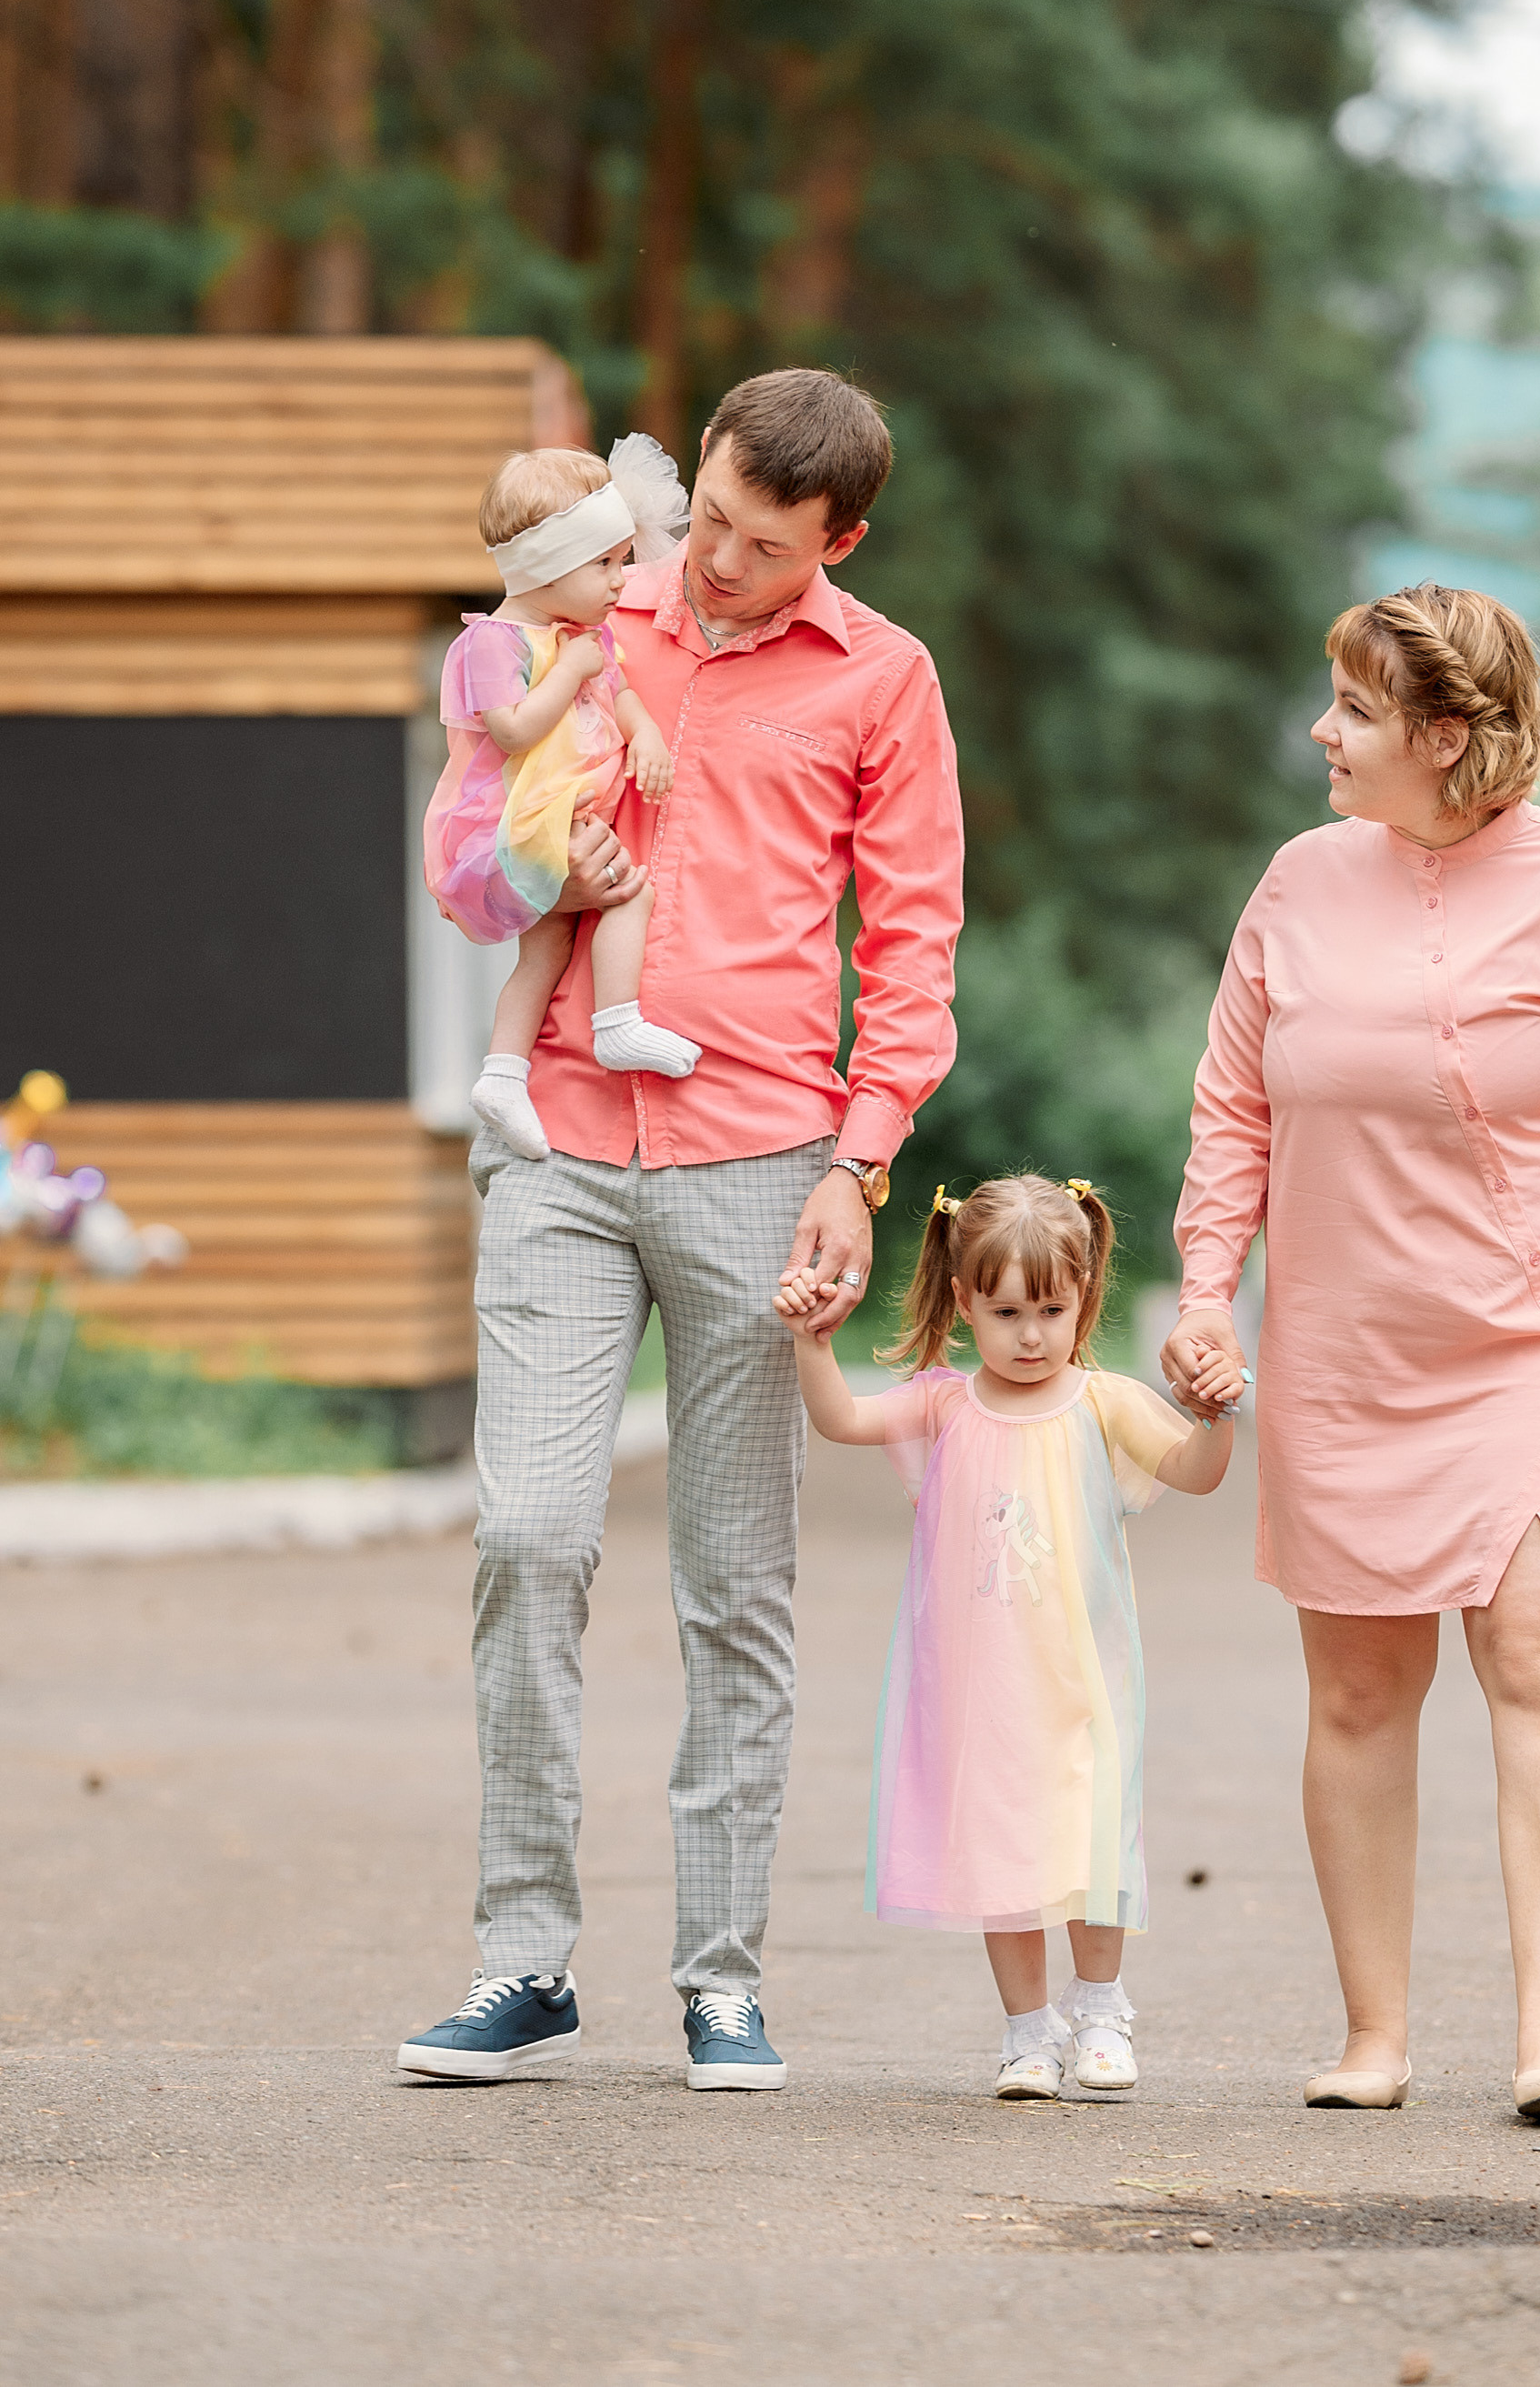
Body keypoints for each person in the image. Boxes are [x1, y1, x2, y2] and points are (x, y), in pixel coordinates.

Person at [398, 369, 964, 2093]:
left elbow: (914, 946)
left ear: (838, 541)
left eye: (756, 542)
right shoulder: (577, 614)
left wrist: (855, 1169)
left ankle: (720, 1977)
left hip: (757, 1157)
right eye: (702, 515)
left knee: (735, 1587)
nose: (706, 560)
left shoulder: (883, 679)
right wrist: (536, 868)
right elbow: (456, 857)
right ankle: (522, 1961)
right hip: (559, 1137)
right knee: (531, 1538)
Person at [1163, 582, 1540, 2128]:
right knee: (1354, 1690)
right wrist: (1207, 1289)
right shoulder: (1295, 882)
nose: (1319, 733)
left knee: (1534, 1659)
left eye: (1350, 712)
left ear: (1443, 738)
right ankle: (1373, 2037)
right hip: (1341, 1353)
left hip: (1537, 1342)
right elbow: (1229, 1107)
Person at [781, 1173, 1238, 2101]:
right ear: (964, 1302)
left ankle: (1101, 2009)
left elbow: (1195, 1471)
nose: (1031, 1334)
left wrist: (1214, 1415)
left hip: (1083, 1686)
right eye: (1006, 1310)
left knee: (1090, 1847)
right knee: (1003, 1852)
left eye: (1051, 1308)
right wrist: (811, 1341)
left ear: (1084, 1299)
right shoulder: (946, 1404)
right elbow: (840, 1418)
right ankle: (1027, 2030)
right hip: (983, 1693)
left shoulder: (1101, 1403)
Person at [423, 435, 702, 1163]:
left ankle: (502, 1075)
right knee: (627, 893)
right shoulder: (491, 644)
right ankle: (617, 1022)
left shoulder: (584, 637)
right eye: (603, 563)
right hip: (506, 821)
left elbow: (623, 694)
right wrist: (569, 668)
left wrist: (646, 738)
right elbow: (511, 732)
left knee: (544, 950)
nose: (621, 580)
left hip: (560, 817)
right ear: (545, 568)